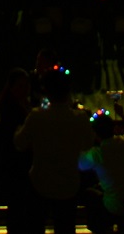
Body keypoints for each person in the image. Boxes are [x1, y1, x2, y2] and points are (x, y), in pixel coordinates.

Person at [16, 70, 92, 234]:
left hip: (39, 182)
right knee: (65, 227)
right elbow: (88, 145)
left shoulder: (36, 116)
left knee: (35, 227)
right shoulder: (80, 118)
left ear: (46, 91)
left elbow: (19, 143)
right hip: (69, 184)